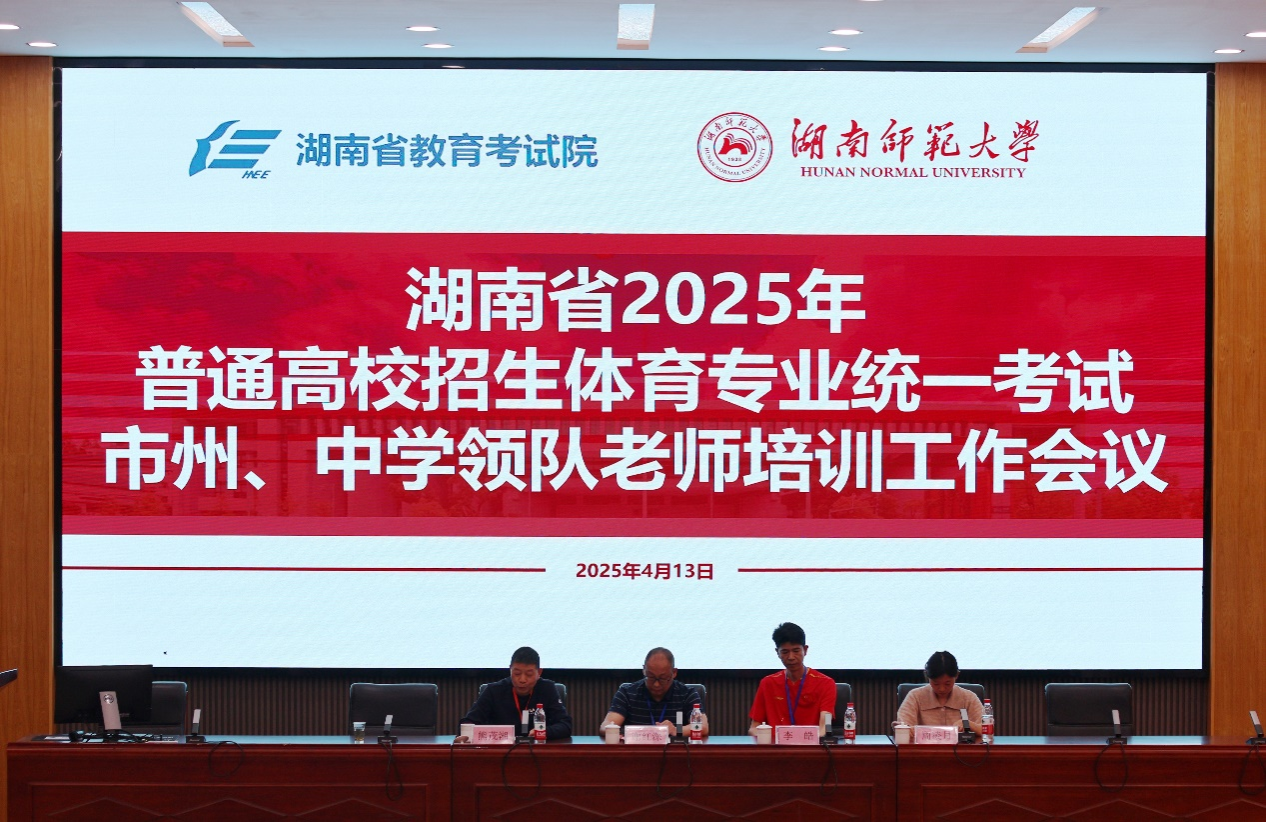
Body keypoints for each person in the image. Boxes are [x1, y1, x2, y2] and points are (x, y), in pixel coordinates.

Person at [460, 646, 572, 740]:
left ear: (539, 672)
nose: (522, 680)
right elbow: (468, 723)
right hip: (501, 751)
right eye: (517, 673)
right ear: (510, 670)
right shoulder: (493, 691)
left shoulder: (547, 689)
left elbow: (565, 725)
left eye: (529, 674)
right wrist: (466, 734)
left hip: (538, 750)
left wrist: (543, 732)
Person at [749, 622, 837, 732]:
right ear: (777, 652)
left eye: (796, 651)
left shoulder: (825, 683)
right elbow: (754, 728)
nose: (791, 657)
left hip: (811, 742)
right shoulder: (767, 683)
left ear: (805, 650)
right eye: (785, 652)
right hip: (776, 742)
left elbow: (825, 726)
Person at [601, 647, 708, 737]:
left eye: (662, 678)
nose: (656, 684)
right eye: (651, 677)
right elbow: (606, 725)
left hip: (674, 752)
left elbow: (703, 727)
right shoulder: (627, 692)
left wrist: (676, 730)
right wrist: (616, 733)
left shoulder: (687, 694)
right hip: (636, 751)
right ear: (644, 670)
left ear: (674, 672)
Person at [896, 650, 983, 732]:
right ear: (927, 676)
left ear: (957, 675)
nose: (942, 689)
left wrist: (969, 725)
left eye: (947, 684)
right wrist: (901, 728)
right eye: (936, 683)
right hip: (925, 744)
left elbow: (985, 729)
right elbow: (904, 728)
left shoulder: (968, 698)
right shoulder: (915, 696)